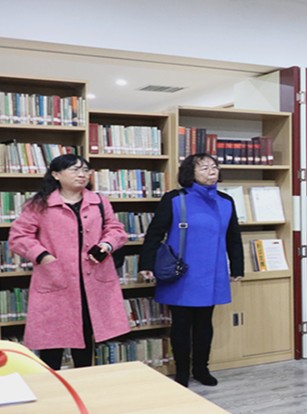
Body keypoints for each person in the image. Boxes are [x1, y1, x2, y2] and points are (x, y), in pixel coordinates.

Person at [9, 154, 130, 370]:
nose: (82, 174)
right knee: (51, 340)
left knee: (85, 337)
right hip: (56, 279)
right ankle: (52, 385)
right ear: (56, 175)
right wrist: (44, 256)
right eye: (74, 170)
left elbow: (115, 229)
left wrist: (106, 245)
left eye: (85, 170)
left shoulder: (99, 201)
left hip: (92, 282)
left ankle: (83, 384)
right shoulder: (39, 204)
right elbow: (19, 237)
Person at [139, 153, 244, 387]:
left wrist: (237, 266)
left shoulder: (226, 201)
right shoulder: (175, 199)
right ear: (190, 173)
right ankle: (182, 372)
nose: (211, 171)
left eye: (214, 167)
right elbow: (155, 233)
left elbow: (233, 237)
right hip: (182, 273)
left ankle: (201, 369)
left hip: (213, 271)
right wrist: (146, 264)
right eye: (204, 168)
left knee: (205, 323)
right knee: (181, 324)